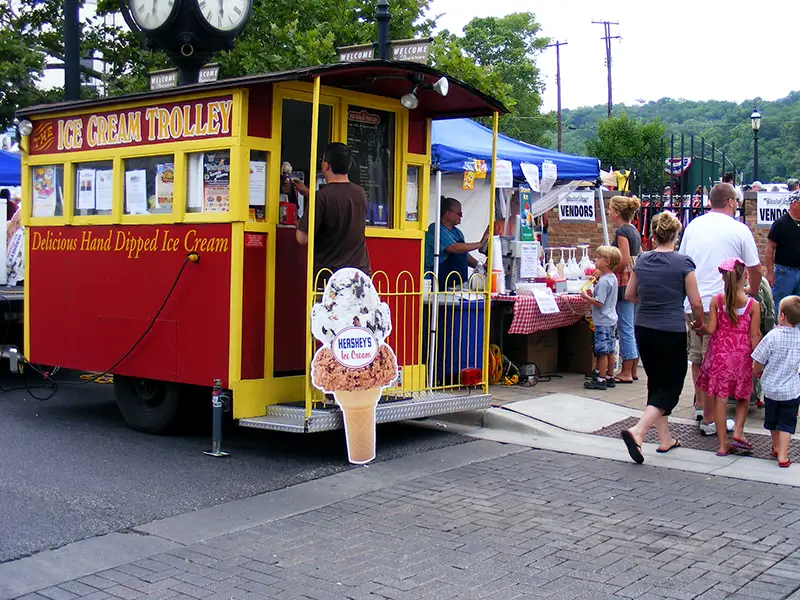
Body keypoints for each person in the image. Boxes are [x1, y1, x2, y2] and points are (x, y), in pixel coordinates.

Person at [679, 182, 762, 436]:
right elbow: (755, 268)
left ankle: (702, 407)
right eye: (736, 201)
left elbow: (683, 261)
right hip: (724, 304)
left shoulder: (693, 225)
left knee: (697, 357)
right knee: (717, 361)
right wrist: (752, 292)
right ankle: (712, 418)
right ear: (730, 202)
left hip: (695, 300)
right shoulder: (739, 229)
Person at [620, 211, 704, 464]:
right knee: (671, 387)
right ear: (676, 235)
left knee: (656, 382)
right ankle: (638, 431)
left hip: (644, 326)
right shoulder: (683, 263)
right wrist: (699, 323)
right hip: (670, 329)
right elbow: (695, 301)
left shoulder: (642, 260)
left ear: (654, 234)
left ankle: (665, 439)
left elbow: (630, 295)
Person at [696, 258, 762, 456]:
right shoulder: (753, 304)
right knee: (743, 394)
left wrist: (699, 329)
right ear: (745, 276)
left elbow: (711, 329)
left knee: (720, 398)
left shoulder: (717, 300)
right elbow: (755, 335)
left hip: (719, 354)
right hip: (741, 355)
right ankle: (739, 431)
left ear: (724, 279)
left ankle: (723, 444)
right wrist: (757, 361)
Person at [295, 143, 371, 282]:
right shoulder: (361, 194)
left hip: (329, 278)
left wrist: (299, 223)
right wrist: (307, 192)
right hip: (359, 275)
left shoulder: (322, 197)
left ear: (326, 165)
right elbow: (339, 204)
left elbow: (302, 238)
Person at [752, 296, 800, 468]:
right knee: (787, 423)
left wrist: (757, 371)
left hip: (771, 390)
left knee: (772, 421)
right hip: (791, 392)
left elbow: (758, 359)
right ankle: (783, 455)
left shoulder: (772, 336)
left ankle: (776, 446)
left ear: (781, 315)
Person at [608, 195, 642, 383]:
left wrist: (608, 271)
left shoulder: (622, 231)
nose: (609, 212)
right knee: (633, 326)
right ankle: (634, 369)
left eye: (611, 209)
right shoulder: (634, 230)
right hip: (635, 282)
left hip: (624, 283)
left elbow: (623, 259)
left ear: (618, 212)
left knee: (625, 327)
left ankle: (626, 371)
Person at [424, 197, 488, 290]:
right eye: (459, 214)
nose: (461, 217)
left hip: (456, 284)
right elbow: (453, 247)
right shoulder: (435, 229)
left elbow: (465, 255)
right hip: (436, 282)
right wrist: (479, 244)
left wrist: (479, 265)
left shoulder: (458, 233)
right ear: (448, 214)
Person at [582, 246, 621, 391]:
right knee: (610, 350)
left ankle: (601, 379)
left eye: (598, 258)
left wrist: (587, 297)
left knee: (602, 351)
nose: (595, 260)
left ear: (607, 261)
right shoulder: (612, 279)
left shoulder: (604, 282)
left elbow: (599, 303)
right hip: (611, 319)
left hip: (602, 320)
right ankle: (610, 376)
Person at [766, 191, 800, 307]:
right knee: (780, 303)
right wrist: (770, 272)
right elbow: (770, 248)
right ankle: (778, 324)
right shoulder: (781, 223)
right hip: (784, 272)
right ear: (794, 204)